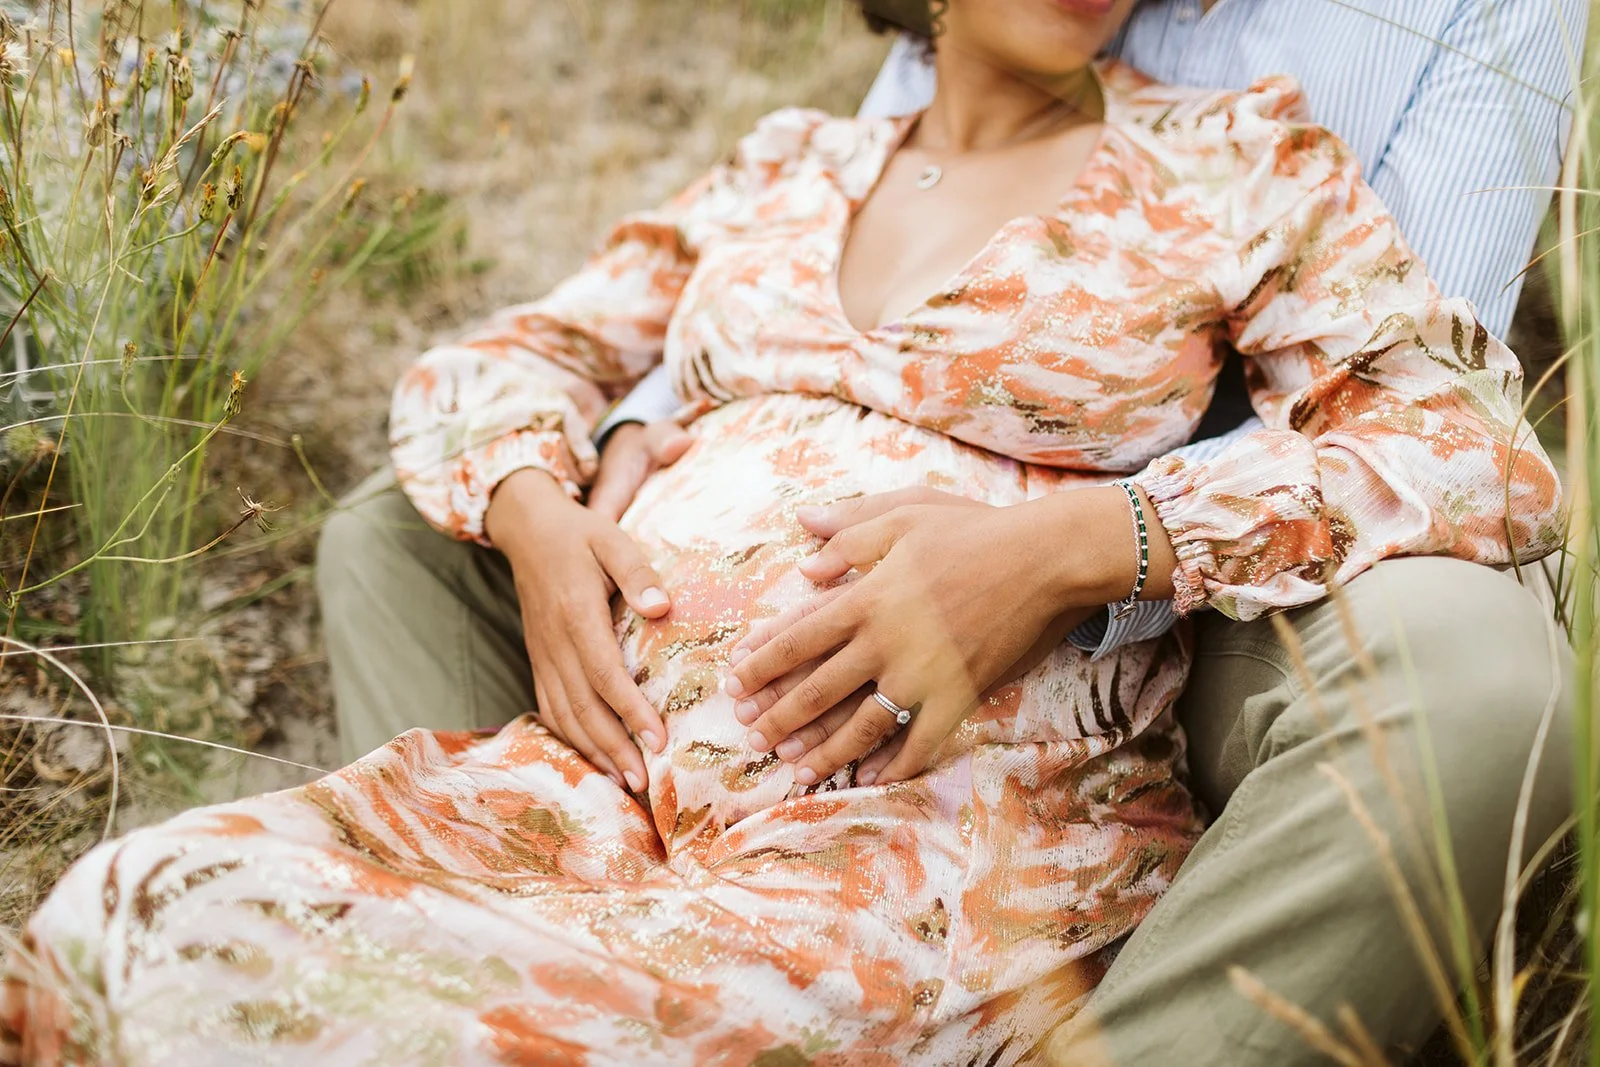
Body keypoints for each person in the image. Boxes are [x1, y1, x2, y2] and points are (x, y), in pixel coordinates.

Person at [2, 4, 1568, 1067]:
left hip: (918, 831)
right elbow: (500, 359)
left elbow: (1463, 444)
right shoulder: (788, 166)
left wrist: (1087, 542)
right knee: (120, 921)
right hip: (601, 806)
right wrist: (542, 521)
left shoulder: (1239, 162)